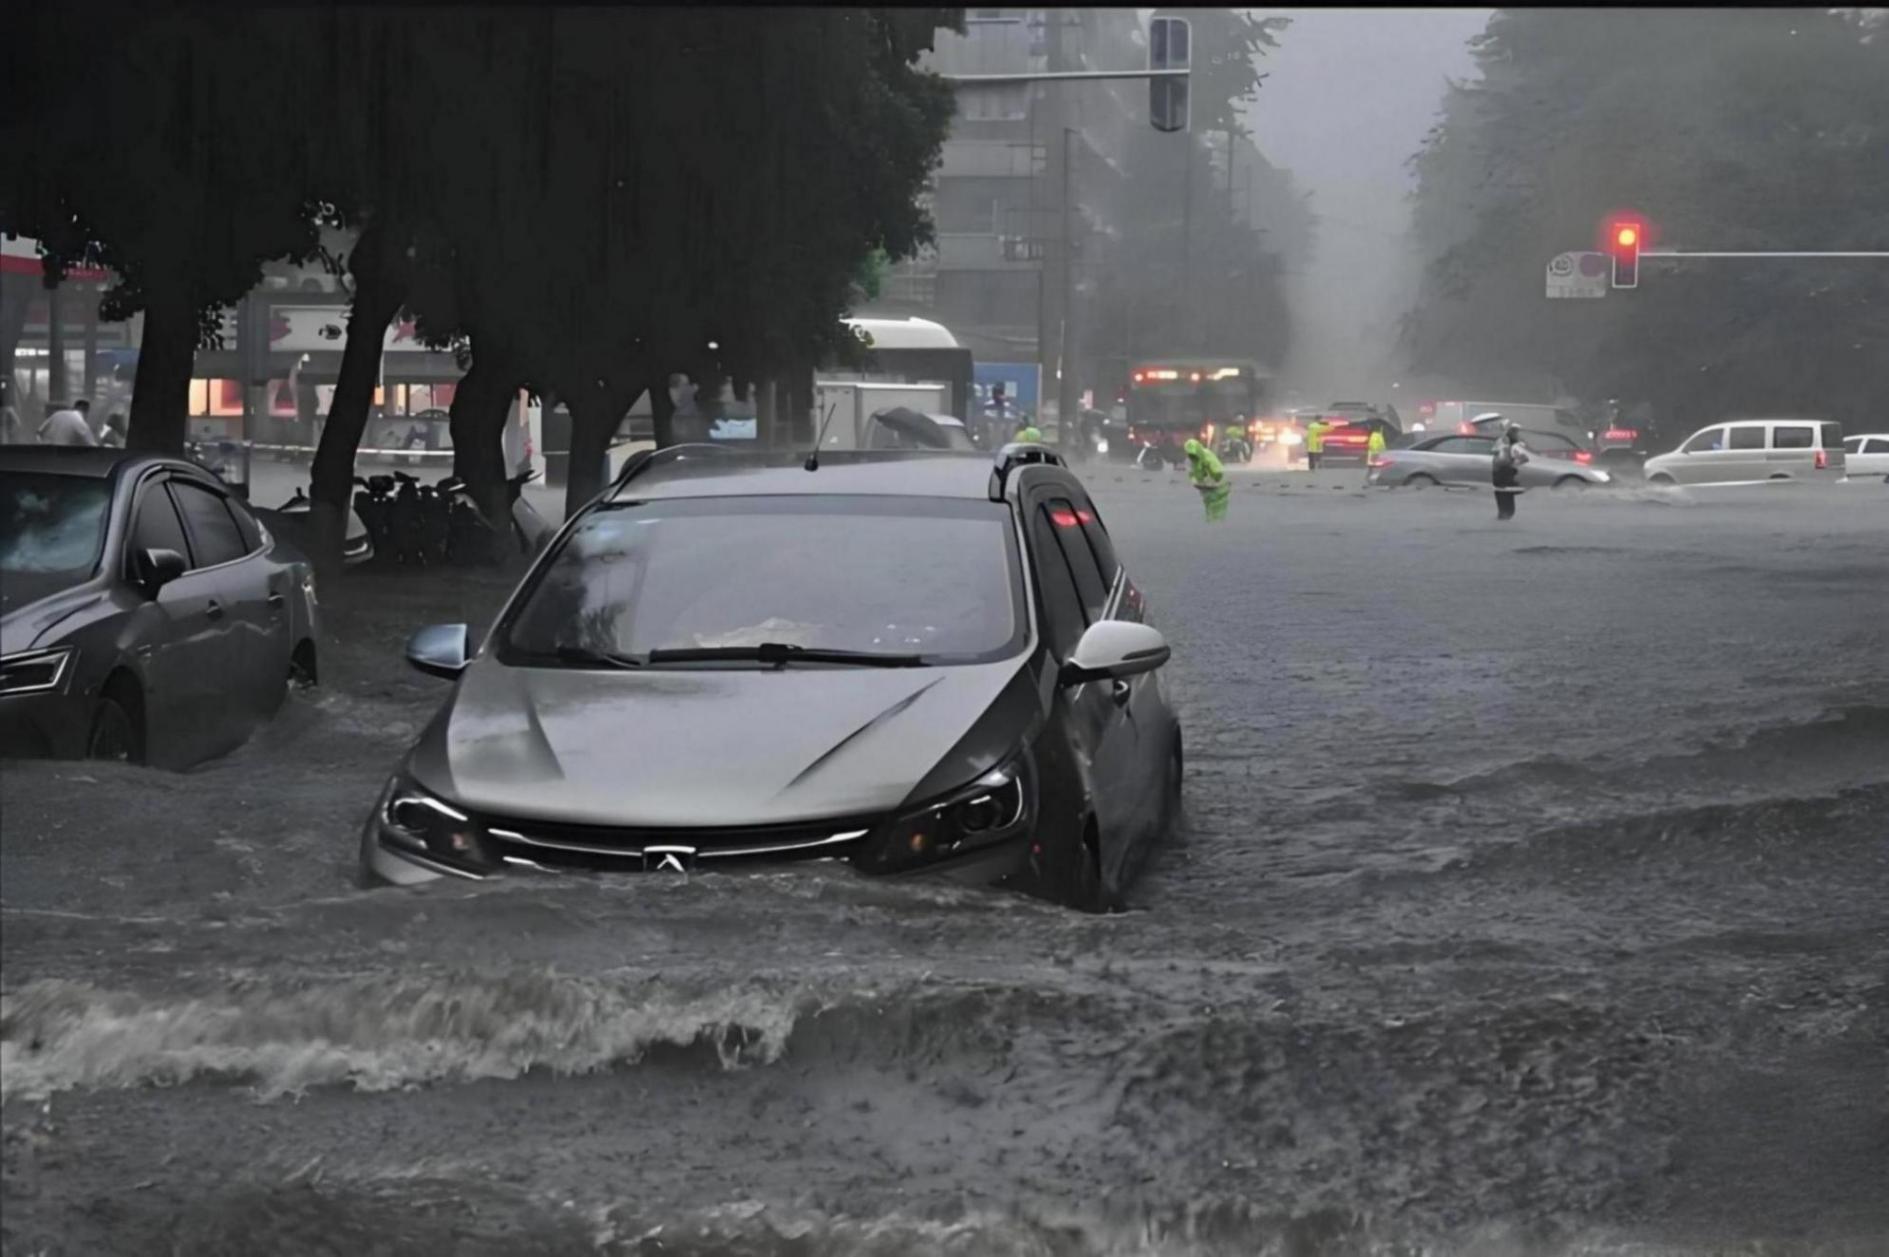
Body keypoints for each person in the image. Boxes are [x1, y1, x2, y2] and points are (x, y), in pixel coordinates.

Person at [1491, 420, 1532, 521]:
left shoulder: (1504, 442)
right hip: (1504, 473)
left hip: (1500, 473)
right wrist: (1515, 464)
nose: (1517, 434)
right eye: (1516, 432)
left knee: (1503, 495)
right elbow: (1522, 458)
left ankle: (1503, 514)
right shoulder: (1510, 445)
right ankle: (1505, 514)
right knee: (1505, 496)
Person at [1183, 437, 1229, 523]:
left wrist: (1214, 479)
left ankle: (1216, 518)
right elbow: (1191, 473)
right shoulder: (1191, 461)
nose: (1192, 456)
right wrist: (1195, 482)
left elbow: (1216, 469)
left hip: (1215, 483)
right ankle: (1212, 518)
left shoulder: (1207, 455)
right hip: (1204, 485)